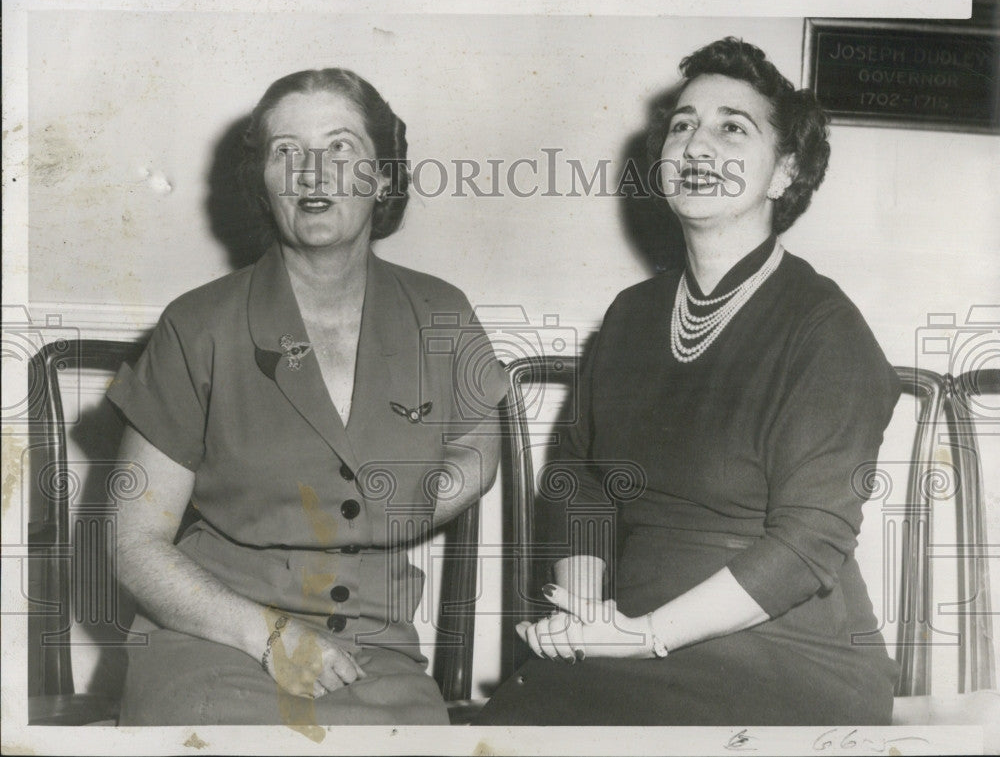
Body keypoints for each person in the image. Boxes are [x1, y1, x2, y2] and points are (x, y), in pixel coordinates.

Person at [476, 37, 901, 726]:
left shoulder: (825, 327)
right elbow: (579, 472)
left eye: (733, 127)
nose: (697, 146)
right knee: (512, 722)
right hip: (632, 636)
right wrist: (585, 608)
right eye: (682, 125)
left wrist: (641, 636)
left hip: (786, 656)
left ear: (784, 172)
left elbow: (807, 544)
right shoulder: (633, 314)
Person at [107, 68, 506, 726]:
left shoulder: (444, 312)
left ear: (382, 177)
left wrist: (396, 503)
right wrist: (269, 635)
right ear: (264, 182)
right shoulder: (198, 324)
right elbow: (132, 543)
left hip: (376, 654)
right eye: (287, 150)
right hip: (216, 639)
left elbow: (477, 446)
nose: (313, 172)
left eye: (341, 146)